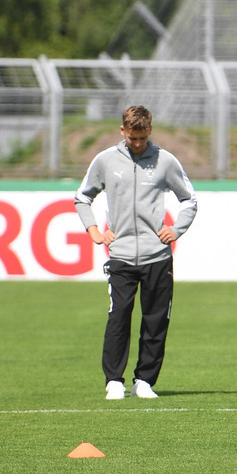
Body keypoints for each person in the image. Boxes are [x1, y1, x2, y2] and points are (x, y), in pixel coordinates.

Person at [75, 104, 198, 400]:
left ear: (150, 131)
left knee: (156, 320)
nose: (138, 144)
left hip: (158, 256)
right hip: (121, 255)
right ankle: (114, 381)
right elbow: (82, 198)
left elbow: (189, 200)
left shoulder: (165, 161)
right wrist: (94, 232)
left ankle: (144, 381)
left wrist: (176, 229)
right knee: (118, 317)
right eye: (133, 138)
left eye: (143, 138)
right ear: (123, 131)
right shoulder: (105, 160)